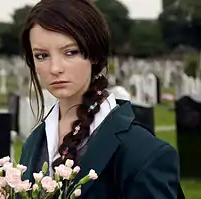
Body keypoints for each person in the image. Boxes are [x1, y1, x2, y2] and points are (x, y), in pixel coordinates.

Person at [19, 0, 181, 198]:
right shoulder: (32, 145)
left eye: (70, 52)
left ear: (94, 54)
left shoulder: (144, 154)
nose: (55, 68)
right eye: (42, 56)